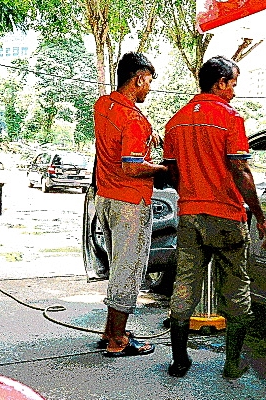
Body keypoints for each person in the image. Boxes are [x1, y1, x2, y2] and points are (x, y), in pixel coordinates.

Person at [162, 56, 266, 378]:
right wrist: (260, 216)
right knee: (236, 288)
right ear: (220, 82)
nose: (234, 92)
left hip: (189, 215)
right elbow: (240, 169)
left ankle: (180, 361)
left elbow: (171, 172)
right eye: (233, 84)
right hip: (226, 216)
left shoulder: (176, 122)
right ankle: (232, 363)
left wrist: (191, 191)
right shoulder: (230, 118)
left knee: (184, 285)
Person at [93, 52, 167, 357]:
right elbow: (132, 166)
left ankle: (110, 330)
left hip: (105, 199)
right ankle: (117, 340)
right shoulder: (135, 119)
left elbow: (117, 142)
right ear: (137, 79)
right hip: (130, 203)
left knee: (118, 268)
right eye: (147, 81)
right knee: (129, 270)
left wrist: (150, 137)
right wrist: (163, 169)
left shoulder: (103, 105)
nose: (149, 88)